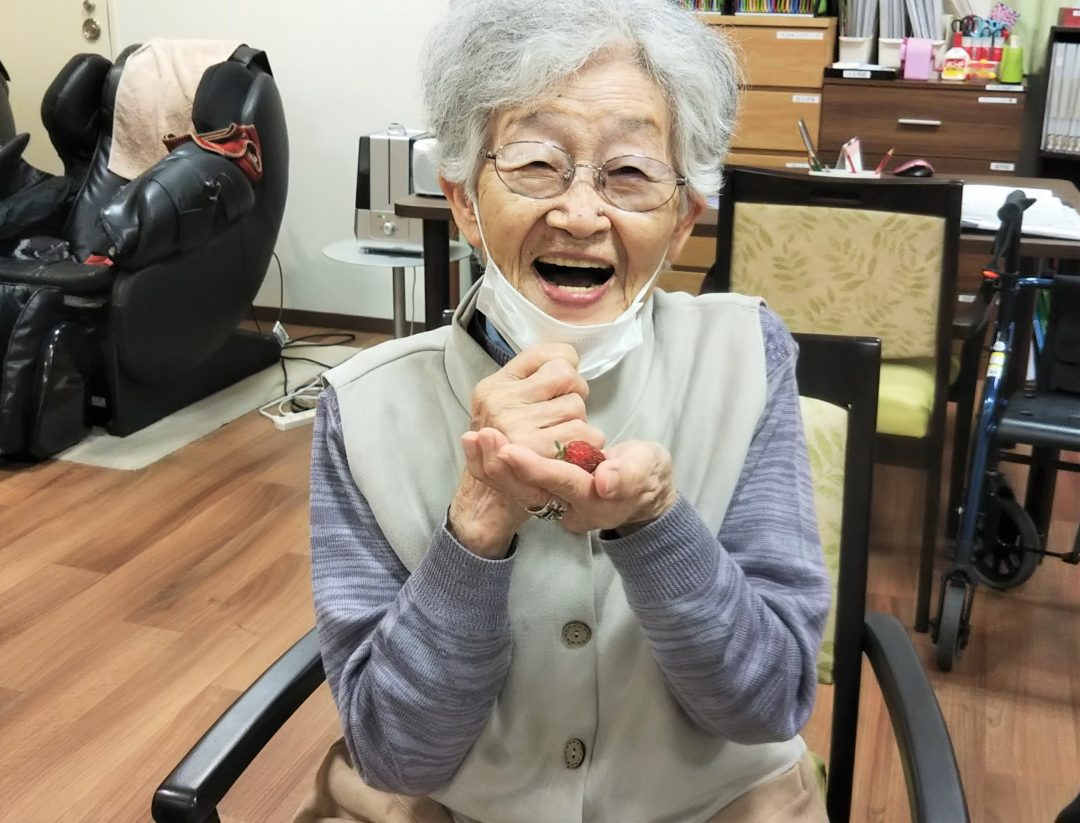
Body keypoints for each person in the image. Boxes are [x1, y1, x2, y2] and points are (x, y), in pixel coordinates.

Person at [300, 1, 831, 821]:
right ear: (464, 200)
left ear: (682, 219)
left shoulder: (747, 357)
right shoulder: (365, 409)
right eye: (537, 163)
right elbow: (398, 756)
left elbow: (767, 704)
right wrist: (477, 521)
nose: (580, 215)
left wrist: (656, 522)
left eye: (631, 173)